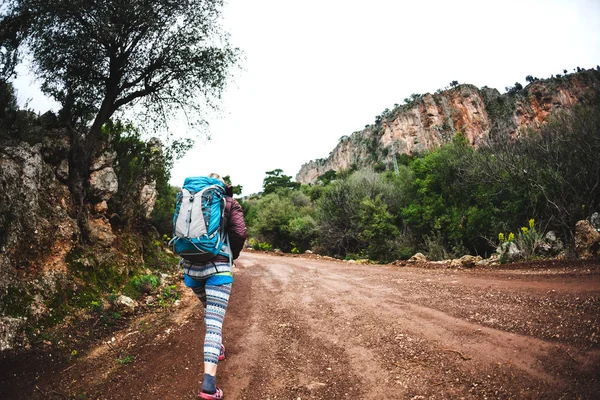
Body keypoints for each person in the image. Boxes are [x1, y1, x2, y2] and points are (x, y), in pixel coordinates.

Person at [180, 173, 247, 400]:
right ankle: (209, 386)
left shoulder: (190, 197)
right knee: (214, 323)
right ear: (223, 185)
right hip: (217, 269)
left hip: (191, 269)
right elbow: (239, 233)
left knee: (209, 310)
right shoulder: (229, 202)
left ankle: (217, 348)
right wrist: (230, 256)